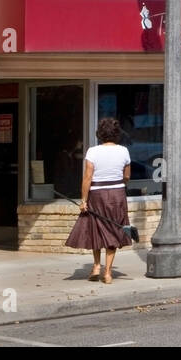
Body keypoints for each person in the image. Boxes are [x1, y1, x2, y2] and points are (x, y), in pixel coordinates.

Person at [64, 117, 132, 283]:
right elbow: (127, 176)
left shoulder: (92, 151)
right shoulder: (124, 151)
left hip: (97, 194)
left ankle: (96, 266)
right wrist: (118, 184)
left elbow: (87, 178)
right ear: (117, 133)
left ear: (100, 134)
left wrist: (83, 200)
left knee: (96, 228)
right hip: (117, 194)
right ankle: (107, 272)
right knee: (114, 229)